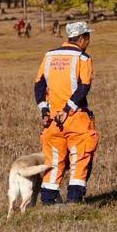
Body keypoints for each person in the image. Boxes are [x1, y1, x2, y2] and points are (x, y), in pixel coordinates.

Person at [33, 21, 99, 204]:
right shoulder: (83, 58)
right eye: (88, 38)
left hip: (52, 121)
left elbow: (39, 85)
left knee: (53, 161)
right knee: (80, 158)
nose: (88, 41)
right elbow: (84, 87)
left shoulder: (49, 56)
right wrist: (68, 109)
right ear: (82, 38)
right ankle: (74, 201)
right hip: (76, 118)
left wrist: (44, 111)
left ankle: (48, 202)